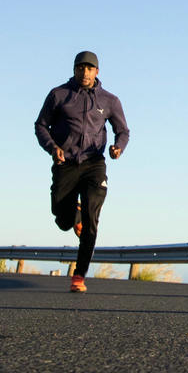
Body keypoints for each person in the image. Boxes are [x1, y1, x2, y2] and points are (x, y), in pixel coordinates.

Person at [34, 50, 130, 292]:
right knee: (62, 219)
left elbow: (123, 131)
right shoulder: (59, 95)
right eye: (80, 68)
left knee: (91, 218)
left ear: (97, 71)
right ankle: (71, 215)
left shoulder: (109, 100)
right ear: (74, 69)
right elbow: (41, 125)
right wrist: (52, 147)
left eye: (89, 68)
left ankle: (79, 276)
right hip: (65, 163)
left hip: (94, 164)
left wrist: (119, 147)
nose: (84, 72)